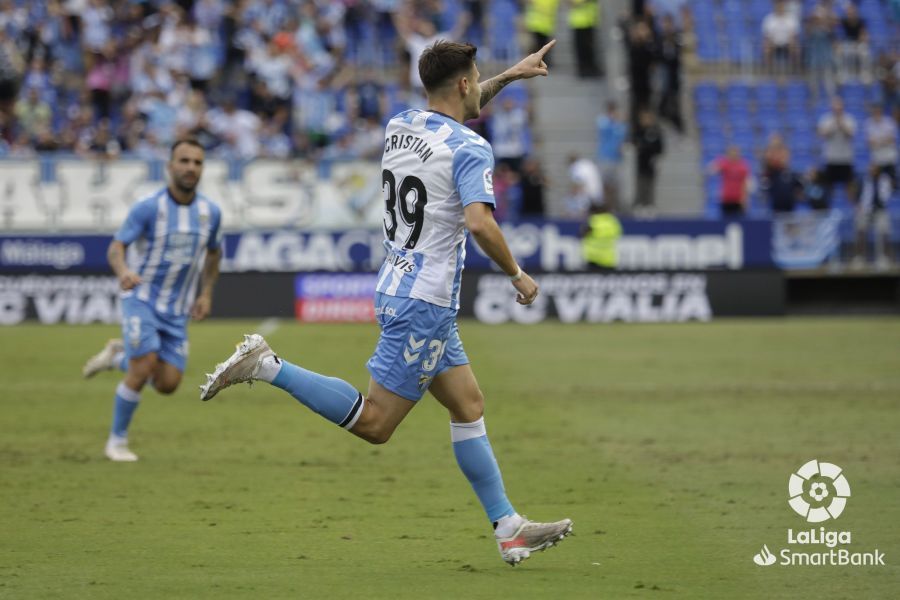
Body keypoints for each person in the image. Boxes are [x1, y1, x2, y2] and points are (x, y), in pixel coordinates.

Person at [198, 40, 573, 566]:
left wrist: (510, 74)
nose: (479, 83)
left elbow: (462, 106)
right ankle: (267, 365)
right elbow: (479, 222)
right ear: (464, 83)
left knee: (468, 405)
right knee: (376, 424)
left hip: (399, 285)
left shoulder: (402, 125)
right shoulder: (470, 148)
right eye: (478, 76)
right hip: (427, 302)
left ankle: (508, 527)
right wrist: (517, 273)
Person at [81, 138, 223, 462]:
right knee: (143, 366)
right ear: (170, 166)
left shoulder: (210, 213)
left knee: (168, 383)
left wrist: (206, 292)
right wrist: (122, 271)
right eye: (184, 161)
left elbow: (214, 254)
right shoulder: (148, 207)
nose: (191, 168)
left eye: (197, 163)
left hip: (177, 310)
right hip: (141, 298)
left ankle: (118, 356)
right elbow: (117, 247)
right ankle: (116, 442)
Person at [817, 96, 858, 206]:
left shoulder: (849, 119)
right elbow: (823, 134)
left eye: (839, 107)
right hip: (831, 158)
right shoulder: (826, 119)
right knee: (829, 186)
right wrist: (834, 123)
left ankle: (852, 208)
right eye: (835, 107)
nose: (837, 109)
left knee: (849, 185)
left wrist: (841, 123)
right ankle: (829, 207)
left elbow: (850, 134)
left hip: (846, 158)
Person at [596, 101, 627, 209]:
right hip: (604, 157)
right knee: (605, 184)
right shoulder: (603, 121)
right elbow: (603, 129)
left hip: (617, 159)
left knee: (616, 185)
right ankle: (605, 206)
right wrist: (613, 119)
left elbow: (623, 137)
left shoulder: (621, 125)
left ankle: (615, 206)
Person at [633, 108, 664, 216]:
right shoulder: (639, 131)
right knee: (641, 184)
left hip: (651, 163)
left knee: (650, 185)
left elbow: (660, 147)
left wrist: (657, 157)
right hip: (641, 163)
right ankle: (640, 204)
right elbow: (635, 143)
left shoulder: (655, 131)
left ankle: (650, 205)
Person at [707, 145, 751, 217]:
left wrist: (745, 199)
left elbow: (746, 183)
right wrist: (718, 161)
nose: (733, 154)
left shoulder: (742, 166)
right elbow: (711, 170)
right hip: (726, 199)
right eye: (731, 152)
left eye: (735, 152)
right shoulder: (725, 164)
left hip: (738, 200)